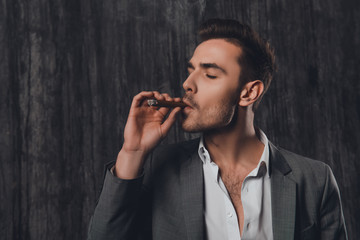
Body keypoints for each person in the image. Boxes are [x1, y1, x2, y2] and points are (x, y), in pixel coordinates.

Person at [87, 19, 347, 240]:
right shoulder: (158, 168)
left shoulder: (315, 180)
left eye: (210, 74)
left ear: (249, 92)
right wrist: (132, 152)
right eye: (191, 72)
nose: (187, 84)